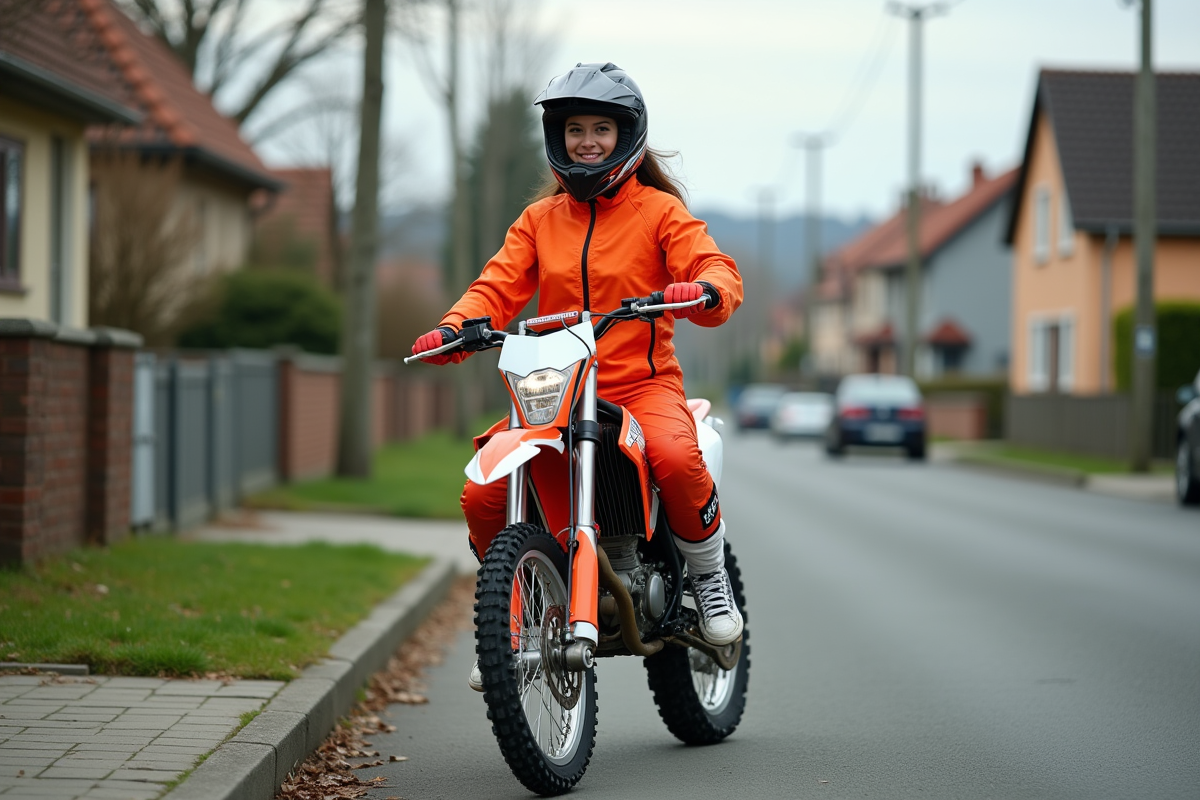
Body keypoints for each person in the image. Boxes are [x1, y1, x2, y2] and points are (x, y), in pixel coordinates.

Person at [411, 62, 744, 691]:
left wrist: (707, 289)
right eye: (573, 130)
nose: (586, 141)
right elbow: (496, 285)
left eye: (600, 129)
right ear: (556, 137)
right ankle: (517, 615)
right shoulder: (540, 221)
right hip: (554, 385)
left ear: (626, 136)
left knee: (674, 454)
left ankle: (709, 580)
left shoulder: (658, 212)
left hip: (642, 386)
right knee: (485, 491)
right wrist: (456, 328)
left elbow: (710, 262)